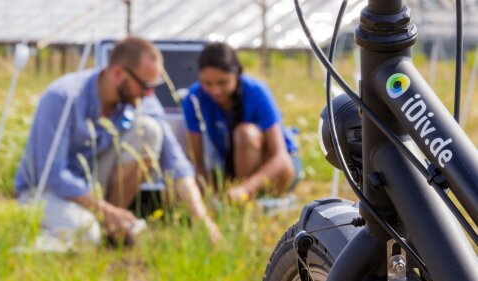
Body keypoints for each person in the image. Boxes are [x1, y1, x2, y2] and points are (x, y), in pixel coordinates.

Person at [15, 37, 221, 246]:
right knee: (86, 236)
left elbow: (175, 161)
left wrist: (203, 221)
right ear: (118, 73)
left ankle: (109, 227)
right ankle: (43, 235)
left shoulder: (141, 98)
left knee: (149, 131)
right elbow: (51, 174)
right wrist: (105, 210)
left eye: (154, 86)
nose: (150, 93)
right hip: (44, 190)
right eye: (145, 85)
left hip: (91, 189)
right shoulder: (63, 97)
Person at [182, 42, 303, 203]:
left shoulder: (257, 91)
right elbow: (197, 162)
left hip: (279, 168)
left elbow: (280, 156)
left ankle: (246, 200)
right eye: (207, 84)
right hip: (233, 168)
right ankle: (239, 200)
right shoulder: (193, 97)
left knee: (245, 133)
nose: (215, 91)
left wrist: (245, 189)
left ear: (237, 74)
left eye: (223, 82)